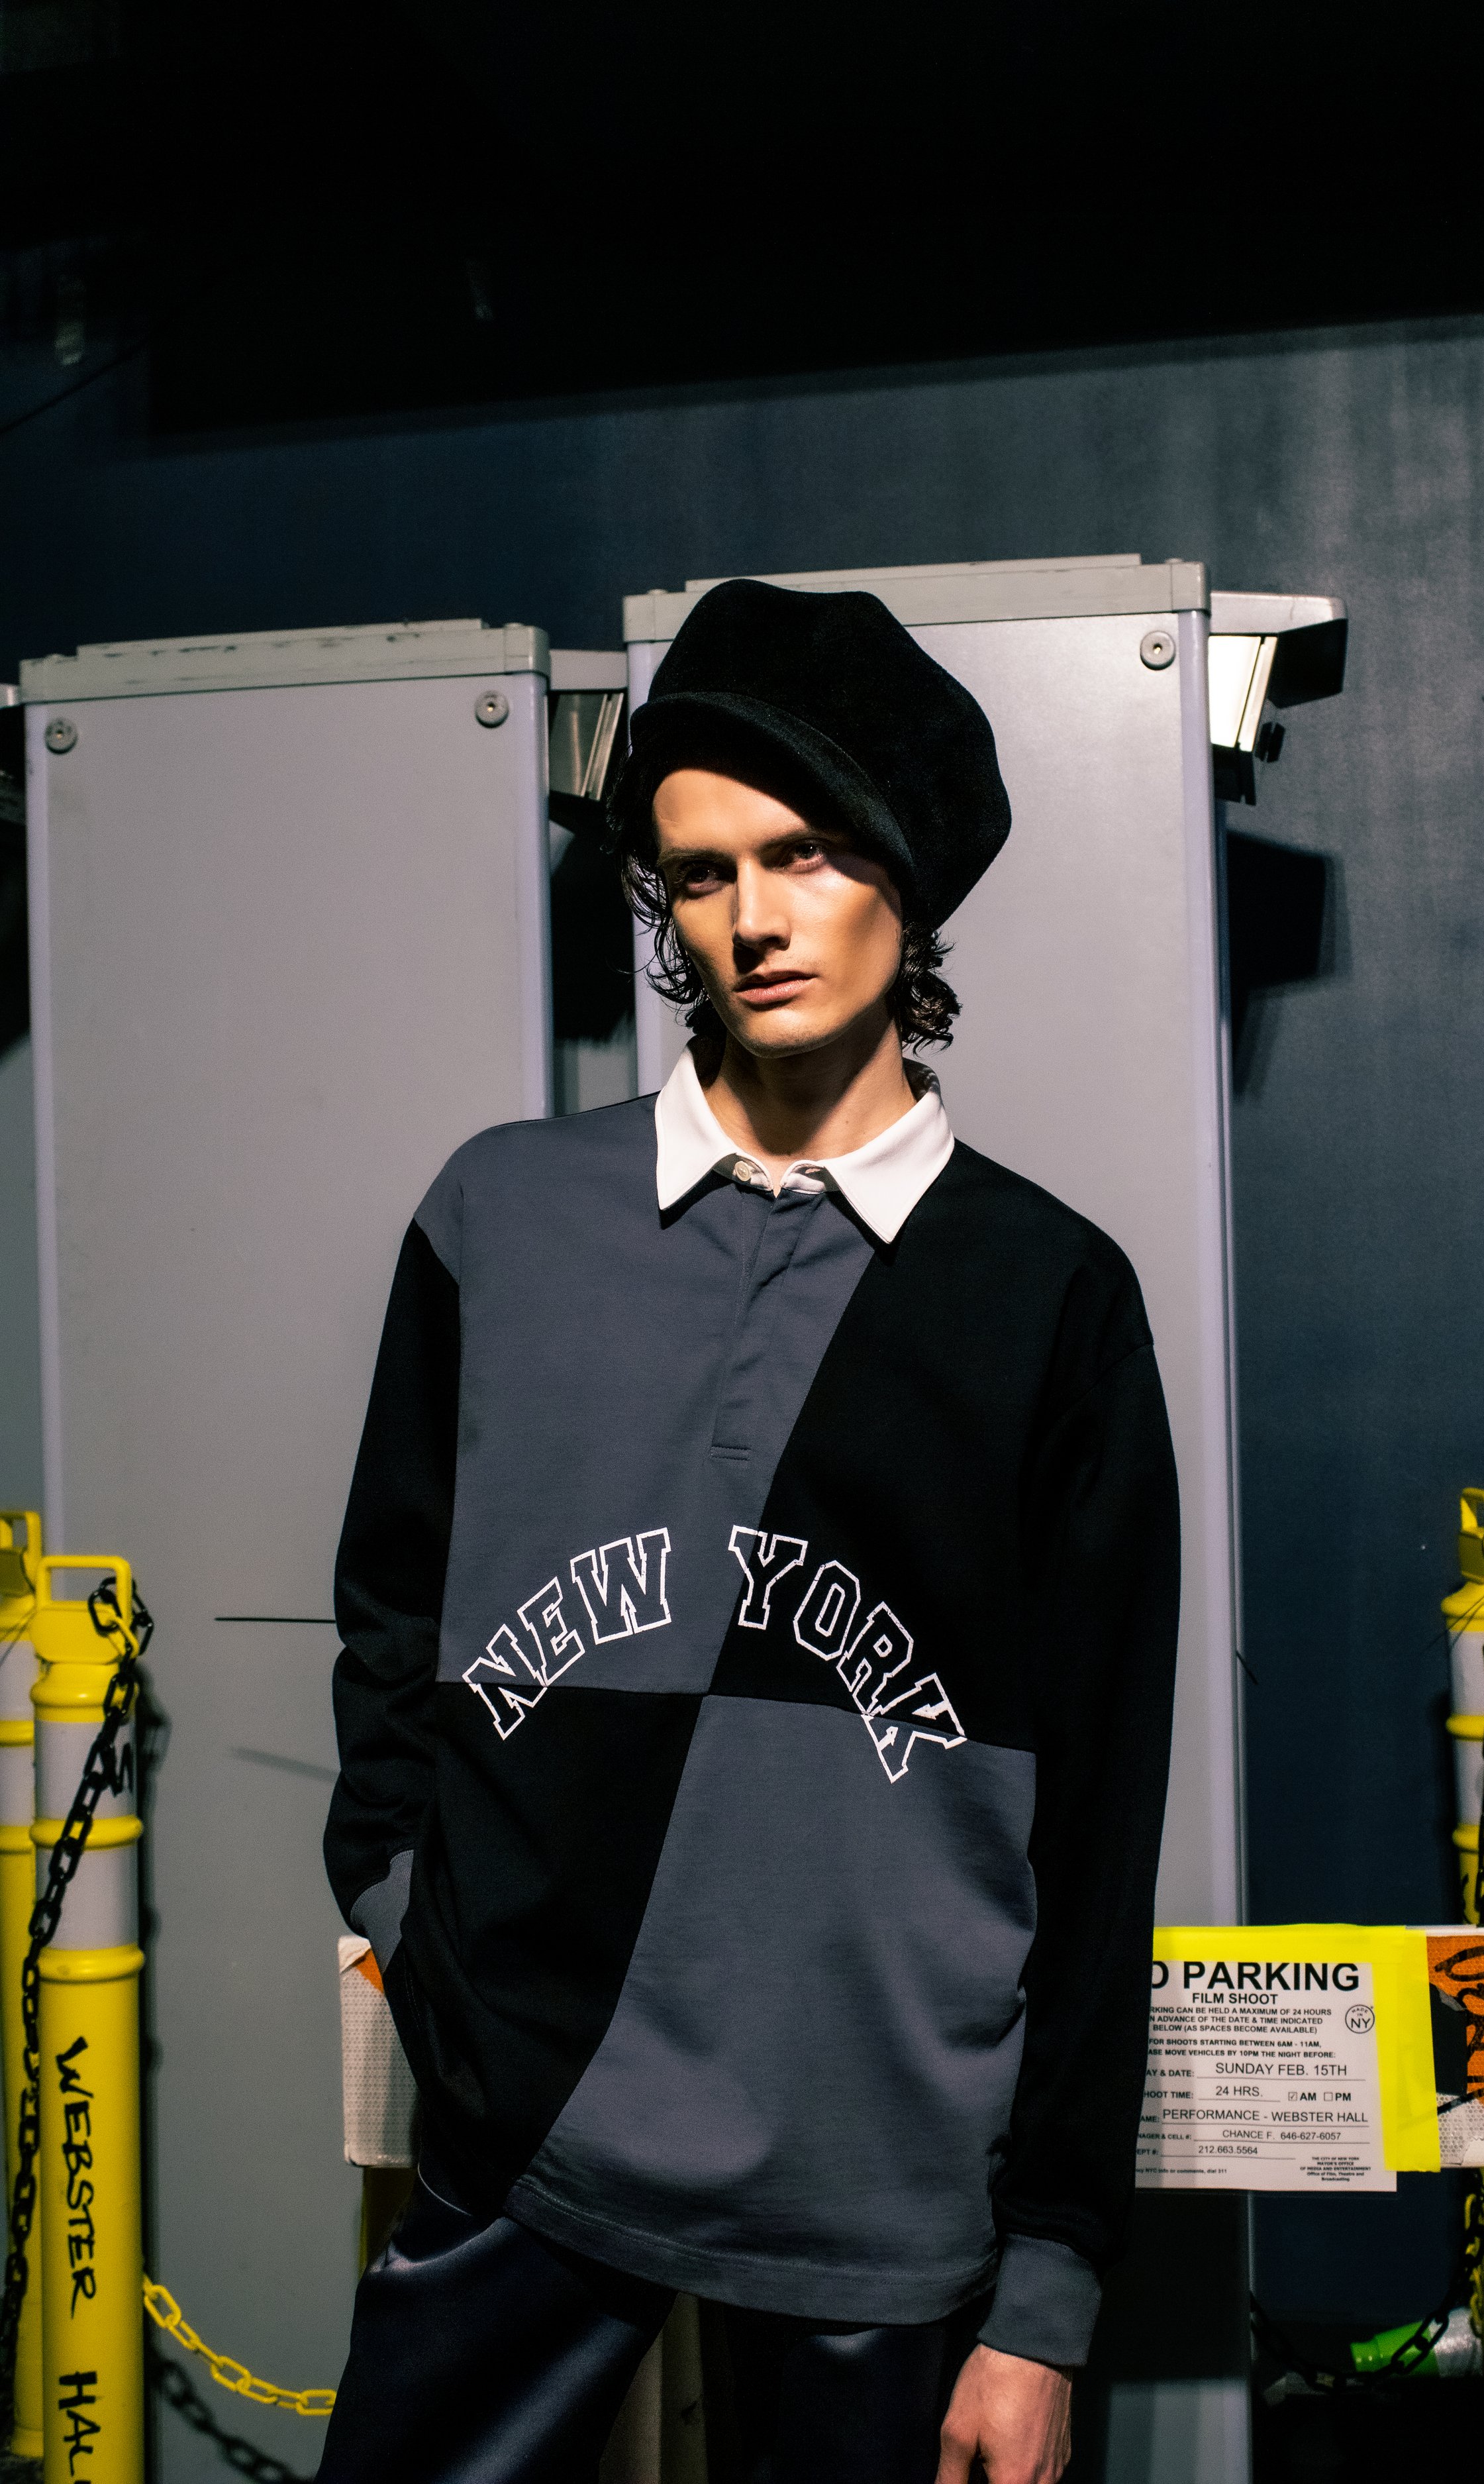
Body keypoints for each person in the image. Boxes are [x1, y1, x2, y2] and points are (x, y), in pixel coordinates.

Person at [319, 580, 1179, 2484]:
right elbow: (391, 1606)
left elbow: (1104, 1811)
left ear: (907, 874)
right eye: (701, 874)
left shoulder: (1045, 1298)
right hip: (529, 2112)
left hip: (882, 2166)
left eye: (803, 853)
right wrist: (398, 1900)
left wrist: (1044, 2293)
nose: (755, 920)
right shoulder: (504, 1216)